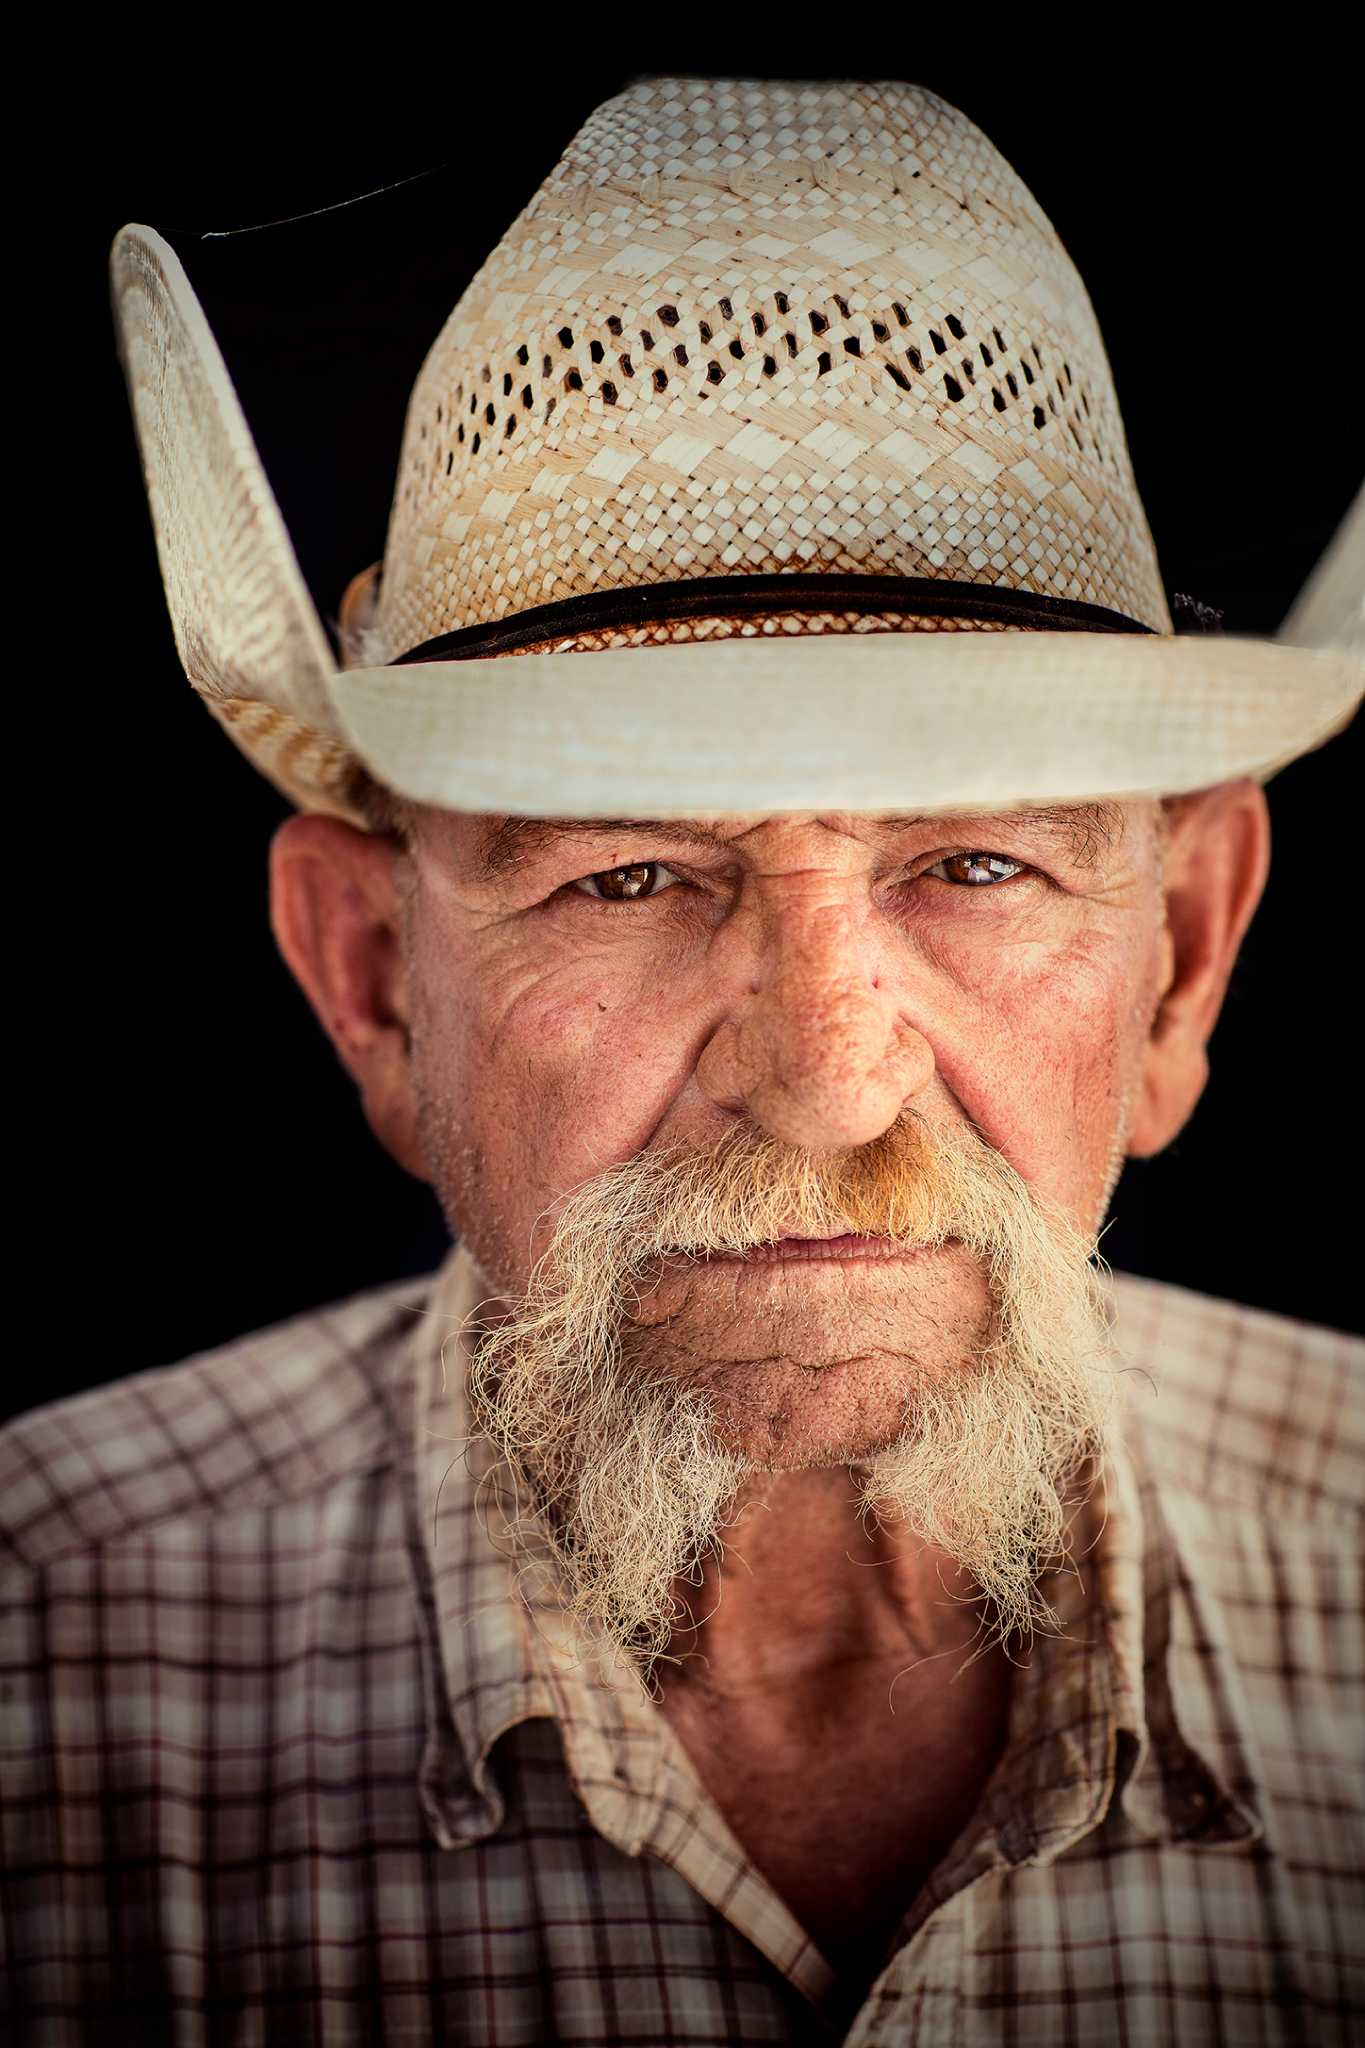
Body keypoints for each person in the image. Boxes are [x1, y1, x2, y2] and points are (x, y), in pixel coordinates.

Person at [5, 74, 1362, 2046]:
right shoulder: (46, 1666)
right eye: (629, 875)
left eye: (971, 862)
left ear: (1176, 965)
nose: (824, 1081)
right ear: (374, 986)